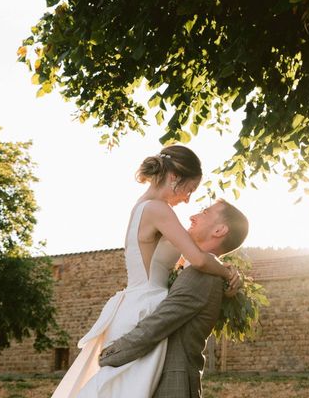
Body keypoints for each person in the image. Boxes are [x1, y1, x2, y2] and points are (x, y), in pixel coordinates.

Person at [51, 145, 239, 398]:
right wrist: (228, 274)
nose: (188, 199)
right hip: (145, 307)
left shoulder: (145, 207)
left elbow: (187, 262)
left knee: (122, 388)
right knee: (126, 389)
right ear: (174, 178)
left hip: (136, 302)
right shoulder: (158, 209)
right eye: (189, 190)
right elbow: (198, 259)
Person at [99, 199, 249, 398]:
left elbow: (157, 324)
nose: (192, 216)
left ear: (219, 230)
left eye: (204, 212)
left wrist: (109, 354)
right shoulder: (200, 270)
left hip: (173, 384)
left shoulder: (202, 275)